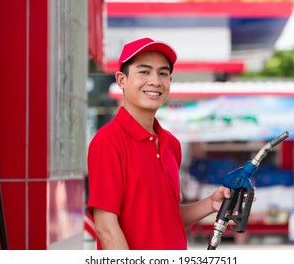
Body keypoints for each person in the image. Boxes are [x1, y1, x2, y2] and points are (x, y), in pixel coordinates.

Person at [86, 37, 232, 250]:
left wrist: (211, 203)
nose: (155, 81)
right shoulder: (108, 141)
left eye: (163, 73)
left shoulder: (171, 144)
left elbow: (167, 217)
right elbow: (106, 227)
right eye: (144, 72)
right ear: (121, 80)